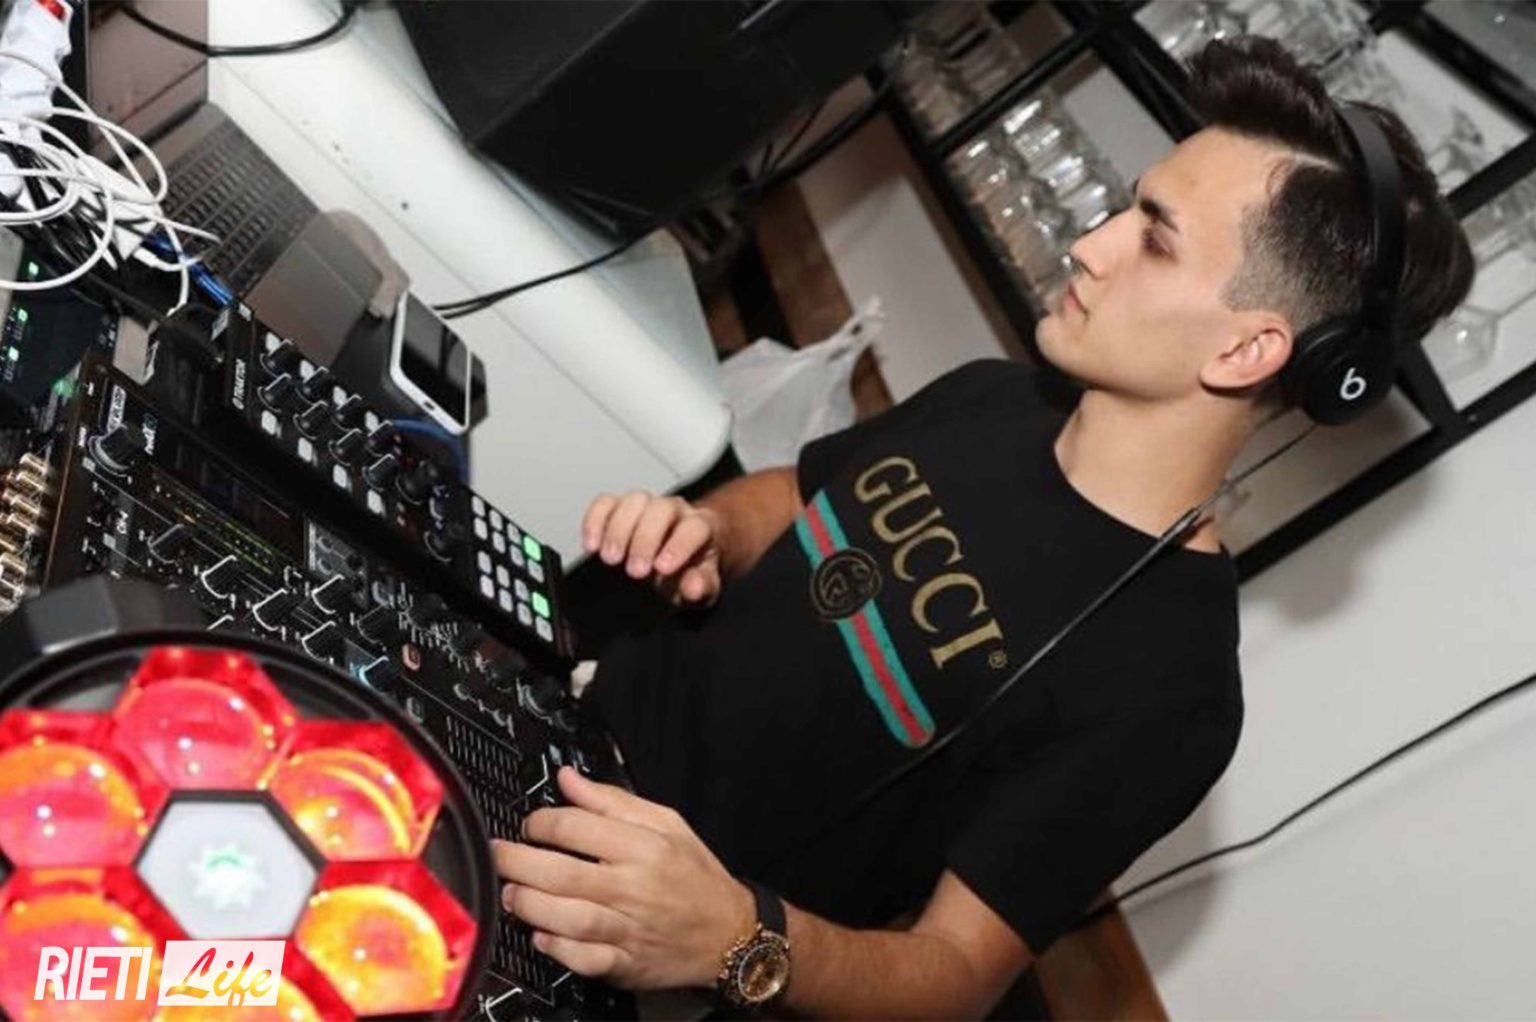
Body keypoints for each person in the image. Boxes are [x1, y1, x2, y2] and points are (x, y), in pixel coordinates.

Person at [492, 36, 1474, 1018]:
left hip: (638, 944)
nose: (1092, 243)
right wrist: (704, 530)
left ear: (1247, 349)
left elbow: (955, 974)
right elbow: (797, 496)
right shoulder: (996, 396)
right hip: (555, 727)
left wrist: (732, 937)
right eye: (1127, 207)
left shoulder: (1173, 688)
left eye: (1156, 238)